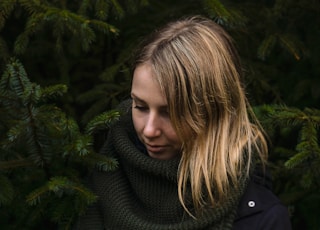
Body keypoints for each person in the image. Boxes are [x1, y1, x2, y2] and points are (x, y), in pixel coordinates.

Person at [75, 15, 292, 229]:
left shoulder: (260, 219)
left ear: (212, 111)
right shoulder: (107, 170)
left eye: (170, 113)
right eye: (140, 106)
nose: (149, 130)